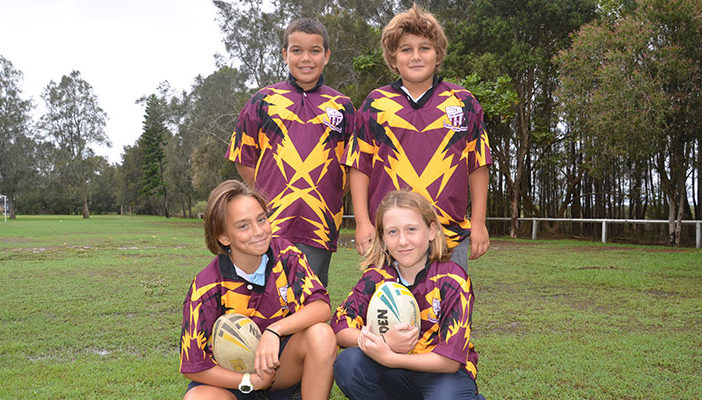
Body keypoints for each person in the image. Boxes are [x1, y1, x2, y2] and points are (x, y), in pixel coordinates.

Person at [342, 4, 492, 271]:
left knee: (449, 299)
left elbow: (478, 165)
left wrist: (478, 223)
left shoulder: (463, 102)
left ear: (438, 54)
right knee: (388, 300)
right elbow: (359, 167)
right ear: (393, 58)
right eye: (406, 49)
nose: (416, 56)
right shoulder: (375, 104)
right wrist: (363, 222)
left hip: (448, 238)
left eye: (424, 48)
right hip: (389, 239)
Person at [225, 18, 355, 287]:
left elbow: (351, 167)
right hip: (270, 225)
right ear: (285, 54)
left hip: (319, 225)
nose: (305, 58)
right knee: (267, 295)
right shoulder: (263, 101)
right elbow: (243, 157)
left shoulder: (342, 106)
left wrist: (328, 194)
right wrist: (265, 197)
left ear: (326, 56)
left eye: (314, 50)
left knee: (310, 297)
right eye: (297, 50)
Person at [179, 180, 335, 400]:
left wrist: (274, 330)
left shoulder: (286, 255)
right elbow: (192, 365)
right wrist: (249, 381)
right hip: (231, 379)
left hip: (279, 369)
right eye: (243, 226)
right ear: (223, 237)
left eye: (261, 219)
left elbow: (321, 307)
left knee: (321, 334)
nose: (259, 231)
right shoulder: (206, 286)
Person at [331, 190, 484, 399]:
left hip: (440, 374)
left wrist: (390, 357)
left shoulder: (452, 279)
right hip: (393, 373)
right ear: (383, 238)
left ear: (431, 231)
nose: (402, 241)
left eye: (411, 229)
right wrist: (383, 342)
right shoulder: (376, 277)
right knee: (349, 364)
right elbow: (339, 325)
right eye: (392, 232)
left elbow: (450, 361)